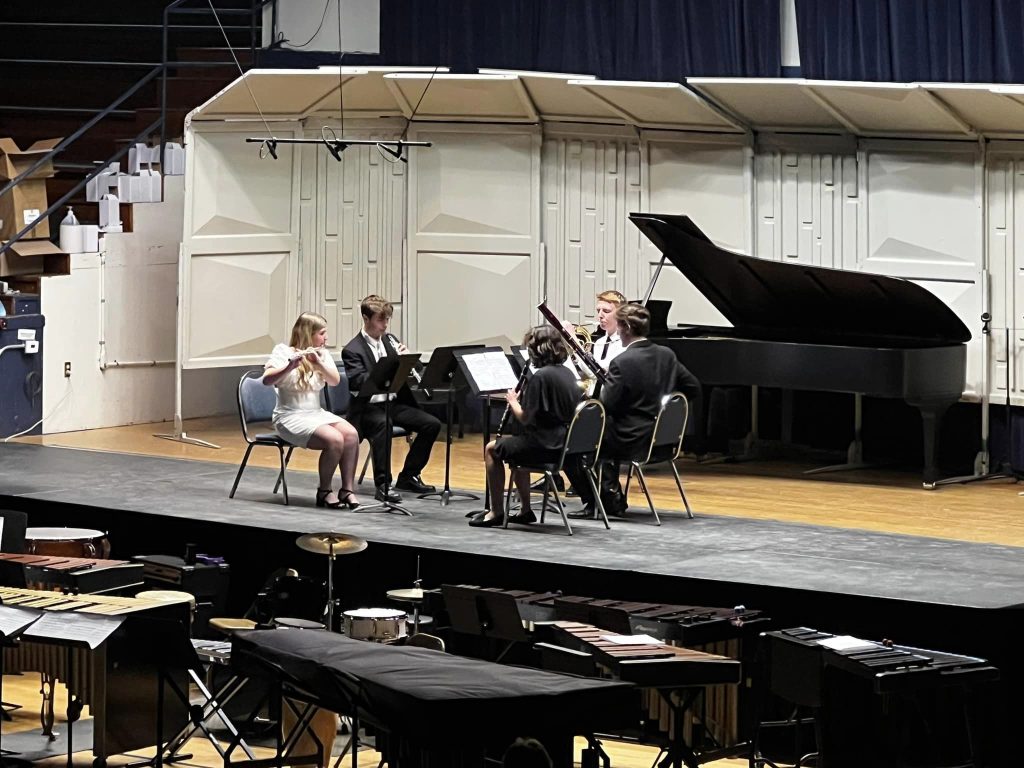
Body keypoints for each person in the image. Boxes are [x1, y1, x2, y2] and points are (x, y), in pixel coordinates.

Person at [568, 303, 701, 519]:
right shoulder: (666, 355)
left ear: (626, 328)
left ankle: (602, 501)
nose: (617, 331)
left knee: (574, 442)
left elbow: (606, 404)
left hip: (630, 439)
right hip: (661, 439)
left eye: (619, 326)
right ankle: (610, 497)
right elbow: (693, 387)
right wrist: (665, 404)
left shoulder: (622, 362)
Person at [470, 326, 582, 528]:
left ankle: (496, 511)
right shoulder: (567, 373)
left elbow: (526, 419)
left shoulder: (541, 377)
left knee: (491, 449)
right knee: (515, 447)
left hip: (546, 446)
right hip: (564, 444)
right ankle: (525, 510)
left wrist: (513, 402)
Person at [342, 295, 441, 502]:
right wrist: (387, 366)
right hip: (368, 409)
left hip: (393, 403)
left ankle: (408, 476)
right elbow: (358, 382)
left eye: (387, 320)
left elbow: (417, 370)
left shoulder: (390, 340)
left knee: (431, 424)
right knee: (383, 425)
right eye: (380, 320)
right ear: (366, 318)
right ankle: (383, 484)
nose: (385, 325)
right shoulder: (352, 350)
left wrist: (407, 360)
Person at [263, 312, 361, 509]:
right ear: (308, 333)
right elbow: (266, 380)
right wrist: (289, 367)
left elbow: (334, 381)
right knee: (334, 439)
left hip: (315, 413)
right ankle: (324, 491)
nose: (326, 338)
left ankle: (347, 490)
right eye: (322, 333)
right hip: (289, 415)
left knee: (351, 434)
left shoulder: (322, 354)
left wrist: (319, 364)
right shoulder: (283, 351)